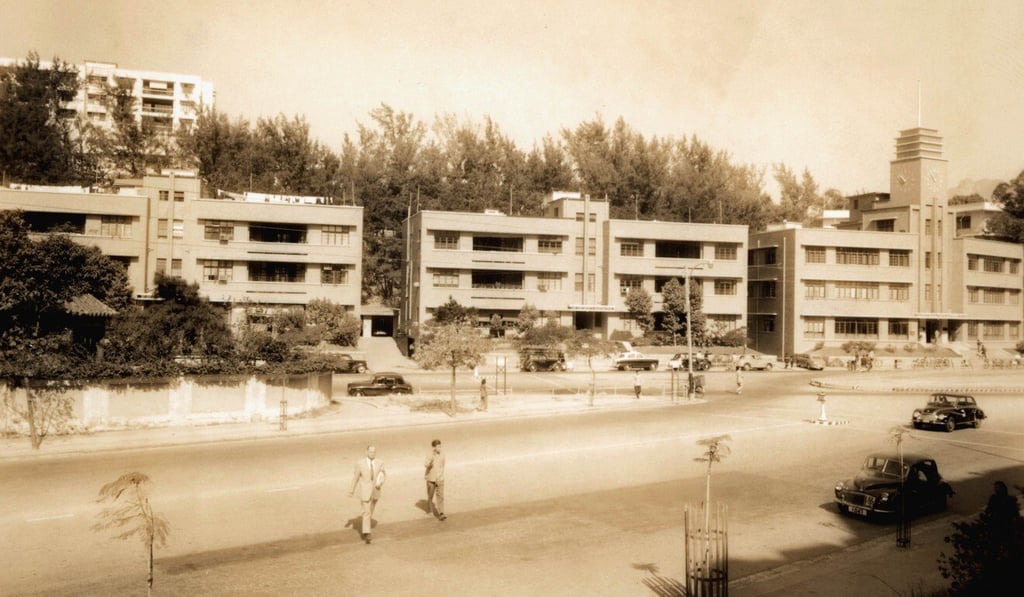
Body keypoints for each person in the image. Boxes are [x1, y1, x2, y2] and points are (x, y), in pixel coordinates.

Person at [349, 445, 386, 544]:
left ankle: (366, 524)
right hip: (365, 491)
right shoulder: (360, 463)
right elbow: (356, 477)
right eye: (370, 452)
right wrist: (351, 490)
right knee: (367, 512)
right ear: (366, 452)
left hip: (375, 491)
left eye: (374, 452)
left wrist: (381, 481)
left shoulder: (380, 462)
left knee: (370, 511)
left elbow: (383, 475)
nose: (372, 454)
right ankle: (367, 533)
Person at [424, 439, 447, 521]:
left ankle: (441, 513)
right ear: (434, 447)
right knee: (430, 496)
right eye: (438, 447)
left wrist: (441, 475)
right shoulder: (429, 455)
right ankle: (429, 508)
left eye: (440, 446)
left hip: (440, 478)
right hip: (431, 478)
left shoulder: (443, 455)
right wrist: (431, 460)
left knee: (440, 496)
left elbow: (442, 466)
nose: (439, 448)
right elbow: (426, 465)